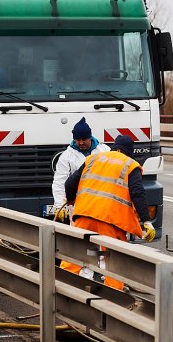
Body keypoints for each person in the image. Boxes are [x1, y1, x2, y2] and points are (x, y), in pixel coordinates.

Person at [60, 134, 156, 290]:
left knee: (74, 255)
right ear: (128, 152)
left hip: (84, 216)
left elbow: (70, 184)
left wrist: (71, 201)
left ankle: (61, 290)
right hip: (111, 221)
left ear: (115, 148)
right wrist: (146, 221)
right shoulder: (130, 165)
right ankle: (113, 299)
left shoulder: (93, 159)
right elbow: (138, 193)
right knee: (113, 261)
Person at [50, 117, 109, 222]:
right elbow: (59, 181)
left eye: (84, 139)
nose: (81, 143)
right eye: (78, 140)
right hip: (79, 206)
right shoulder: (67, 156)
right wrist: (59, 205)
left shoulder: (105, 151)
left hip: (102, 203)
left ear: (90, 137)